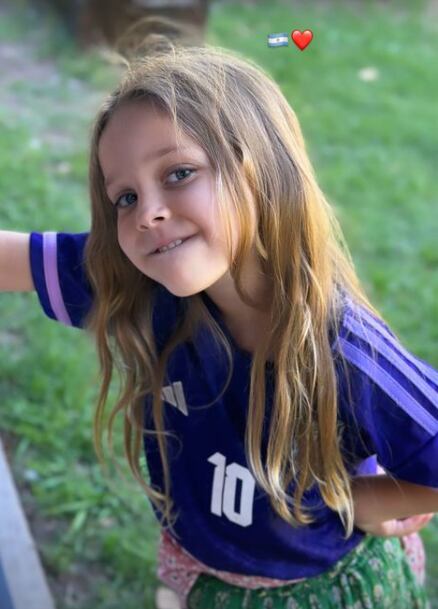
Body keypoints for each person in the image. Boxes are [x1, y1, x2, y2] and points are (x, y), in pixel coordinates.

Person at [1, 25, 437, 609]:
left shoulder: (351, 356)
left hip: (315, 592)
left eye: (178, 173)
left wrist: (360, 500)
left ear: (263, 172)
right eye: (123, 197)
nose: (147, 213)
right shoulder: (140, 285)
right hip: (203, 575)